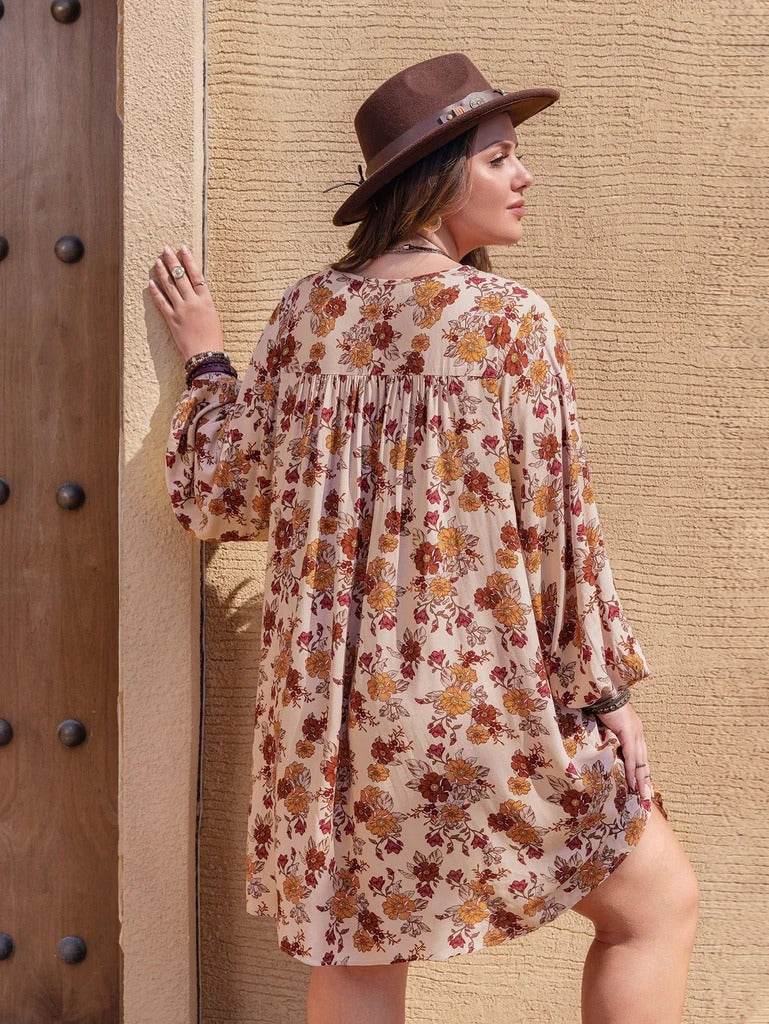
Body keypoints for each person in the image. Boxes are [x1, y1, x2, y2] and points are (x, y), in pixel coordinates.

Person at [151, 52, 699, 1024]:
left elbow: (222, 496)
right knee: (654, 908)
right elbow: (559, 531)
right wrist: (604, 693)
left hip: (332, 727)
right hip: (476, 706)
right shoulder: (509, 323)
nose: (524, 176)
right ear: (439, 178)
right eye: (498, 158)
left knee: (360, 957)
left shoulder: (308, 315)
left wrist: (205, 361)